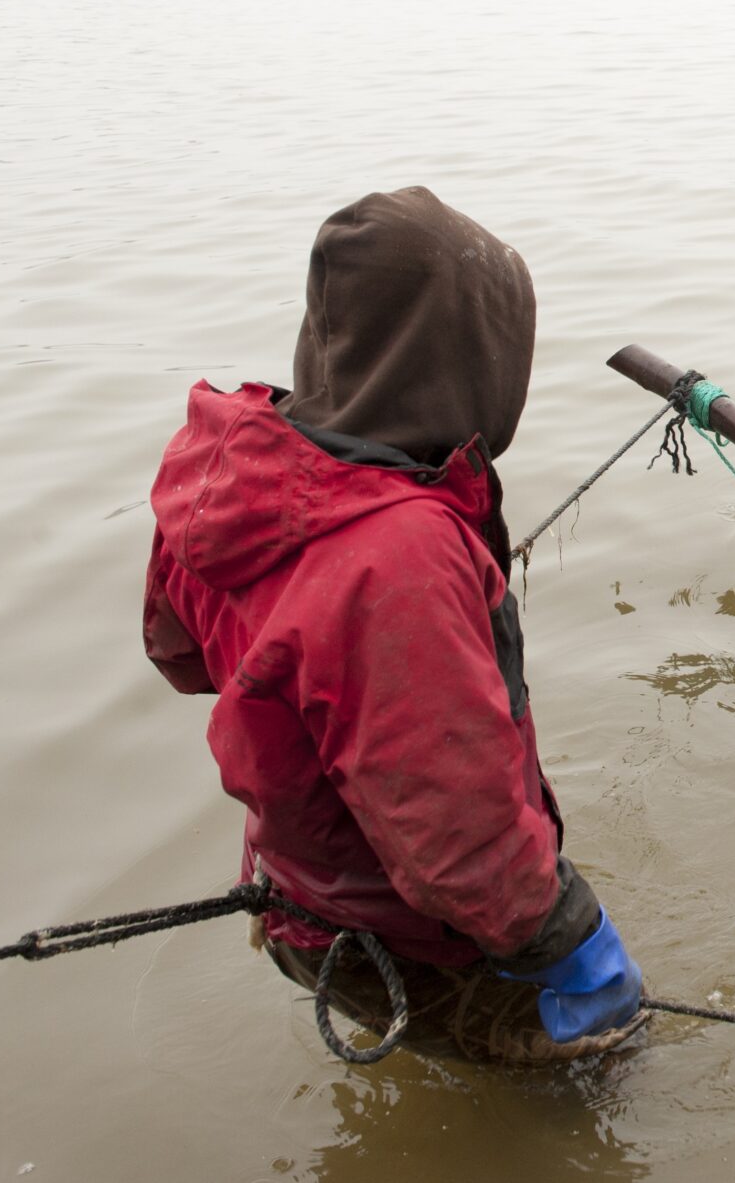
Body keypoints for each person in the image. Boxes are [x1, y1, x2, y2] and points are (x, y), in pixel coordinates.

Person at [142, 186, 645, 1065]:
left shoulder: (227, 465)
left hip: (294, 897)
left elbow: (181, 652)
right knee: (610, 1075)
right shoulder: (399, 554)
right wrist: (565, 936)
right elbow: (457, 828)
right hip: (414, 938)